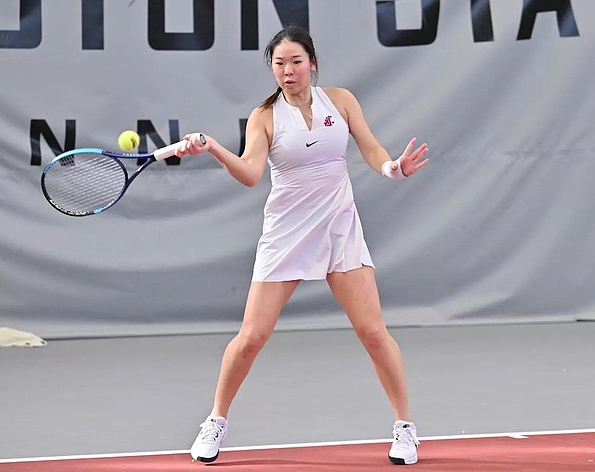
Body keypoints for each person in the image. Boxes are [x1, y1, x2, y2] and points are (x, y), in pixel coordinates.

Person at [175, 25, 429, 465]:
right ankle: (215, 421)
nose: (288, 71)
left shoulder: (342, 101)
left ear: (312, 62)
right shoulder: (265, 116)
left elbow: (370, 149)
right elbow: (252, 173)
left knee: (373, 333)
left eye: (296, 61)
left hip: (338, 227)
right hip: (286, 233)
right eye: (279, 63)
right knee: (252, 336)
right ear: (271, 69)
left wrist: (394, 169)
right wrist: (215, 148)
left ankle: (405, 428)